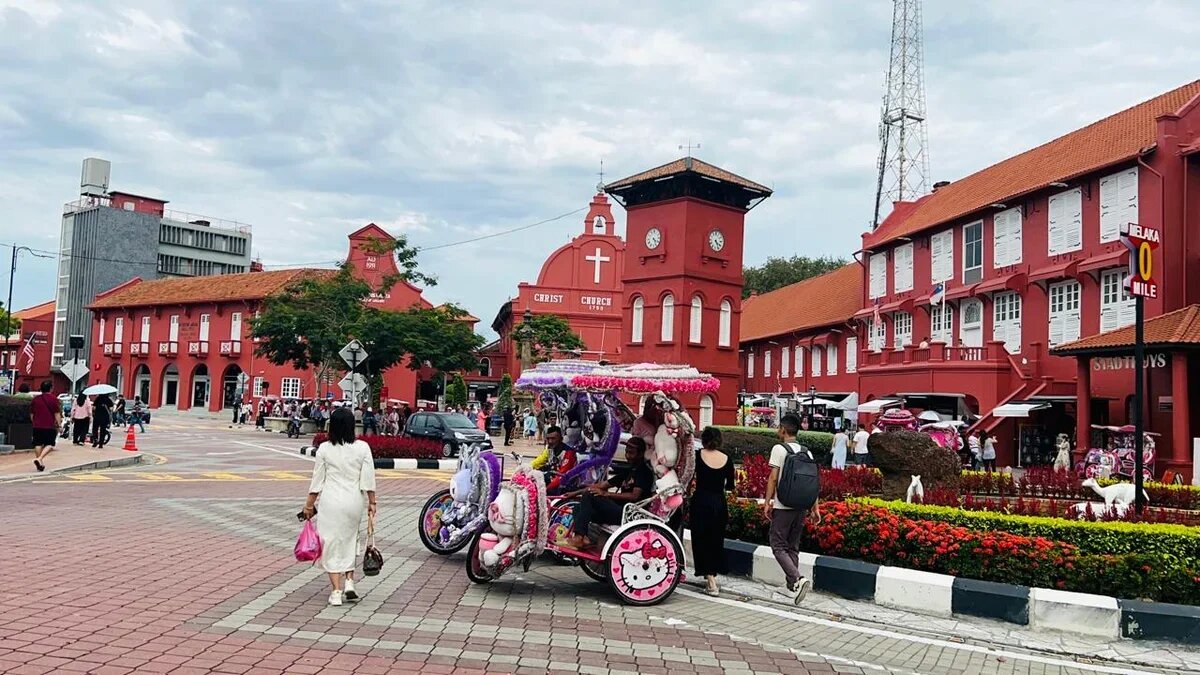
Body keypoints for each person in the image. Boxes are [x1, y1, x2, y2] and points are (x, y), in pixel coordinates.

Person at [301, 407, 377, 607]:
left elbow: (317, 481)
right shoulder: (362, 448)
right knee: (350, 539)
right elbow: (368, 479)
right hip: (354, 501)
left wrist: (309, 505)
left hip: (331, 501)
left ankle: (336, 591)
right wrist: (373, 503)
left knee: (331, 543)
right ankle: (350, 582)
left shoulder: (325, 449)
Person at [561, 437, 654, 550]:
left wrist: (606, 494)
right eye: (626, 452)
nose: (627, 456)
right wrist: (574, 493)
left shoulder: (643, 472)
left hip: (628, 513)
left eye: (631, 453)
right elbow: (600, 486)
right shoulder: (629, 470)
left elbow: (634, 496)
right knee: (577, 507)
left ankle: (579, 537)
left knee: (590, 495)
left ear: (640, 454)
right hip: (617, 510)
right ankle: (584, 537)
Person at [763, 413, 813, 605]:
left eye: (779, 428)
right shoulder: (806, 451)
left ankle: (798, 579)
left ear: (783, 430)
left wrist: (768, 502)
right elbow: (811, 481)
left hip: (783, 505)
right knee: (793, 546)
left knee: (777, 545)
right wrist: (814, 507)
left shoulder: (779, 449)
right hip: (801, 505)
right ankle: (792, 586)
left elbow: (773, 478)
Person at [691, 427, 735, 596]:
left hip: (701, 500)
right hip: (719, 502)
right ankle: (712, 575)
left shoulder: (698, 456)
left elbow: (689, 478)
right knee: (715, 539)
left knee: (701, 538)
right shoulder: (727, 458)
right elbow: (730, 486)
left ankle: (710, 579)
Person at [533, 425, 577, 494]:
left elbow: (562, 475)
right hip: (552, 481)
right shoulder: (550, 450)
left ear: (561, 439)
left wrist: (545, 490)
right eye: (548, 438)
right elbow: (538, 462)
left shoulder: (568, 453)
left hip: (564, 485)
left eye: (553, 438)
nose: (550, 441)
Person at [30, 380, 62, 472]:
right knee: (50, 444)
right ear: (51, 388)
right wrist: (59, 425)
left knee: (37, 443)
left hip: (37, 425)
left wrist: (34, 422)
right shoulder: (54, 399)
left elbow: (32, 414)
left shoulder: (36, 399)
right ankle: (40, 459)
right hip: (49, 426)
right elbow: (57, 413)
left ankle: (40, 462)